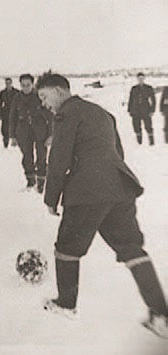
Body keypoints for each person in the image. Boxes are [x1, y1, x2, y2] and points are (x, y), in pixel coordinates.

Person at [37, 73, 168, 338]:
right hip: (120, 187)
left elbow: (59, 159)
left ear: (59, 91)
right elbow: (118, 152)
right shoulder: (101, 112)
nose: (44, 103)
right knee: (132, 248)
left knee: (67, 247)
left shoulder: (66, 113)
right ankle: (161, 315)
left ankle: (66, 303)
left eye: (44, 96)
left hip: (88, 191)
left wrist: (51, 199)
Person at [9, 74, 52, 192]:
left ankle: (41, 182)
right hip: (23, 132)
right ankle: (30, 181)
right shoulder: (17, 97)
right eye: (23, 85)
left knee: (41, 157)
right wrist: (12, 136)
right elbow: (12, 117)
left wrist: (51, 135)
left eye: (28, 85)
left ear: (32, 84)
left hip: (40, 131)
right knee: (27, 157)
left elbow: (50, 115)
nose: (25, 87)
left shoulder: (40, 96)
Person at [128, 72, 156, 145]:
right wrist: (129, 110)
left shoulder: (148, 88)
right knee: (137, 127)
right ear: (137, 79)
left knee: (148, 127)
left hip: (146, 110)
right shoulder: (134, 88)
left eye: (142, 78)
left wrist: (152, 110)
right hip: (136, 111)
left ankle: (151, 143)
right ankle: (139, 143)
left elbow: (153, 100)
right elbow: (130, 100)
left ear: (144, 78)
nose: (140, 80)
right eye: (139, 78)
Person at [0, 78, 20, 148]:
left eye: (9, 83)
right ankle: (5, 143)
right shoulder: (2, 92)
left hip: (15, 112)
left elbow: (20, 103)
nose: (8, 84)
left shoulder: (17, 92)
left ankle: (15, 142)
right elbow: (0, 103)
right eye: (7, 83)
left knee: (16, 126)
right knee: (5, 128)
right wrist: (0, 114)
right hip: (6, 112)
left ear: (11, 83)